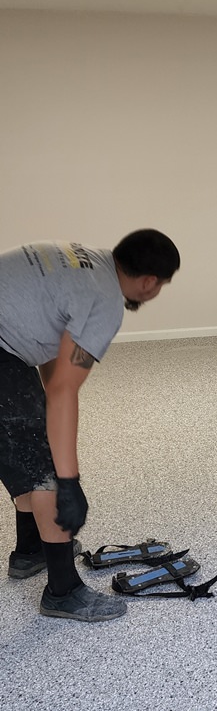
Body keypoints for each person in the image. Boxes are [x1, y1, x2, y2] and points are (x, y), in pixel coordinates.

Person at [0, 229, 180, 622]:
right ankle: (63, 593)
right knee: (44, 474)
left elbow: (53, 357)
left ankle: (30, 552)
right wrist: (68, 481)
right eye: (161, 286)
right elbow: (65, 390)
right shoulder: (104, 301)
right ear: (149, 282)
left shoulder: (85, 260)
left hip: (7, 350)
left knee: (26, 449)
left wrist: (45, 416)